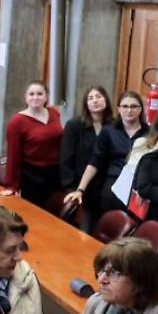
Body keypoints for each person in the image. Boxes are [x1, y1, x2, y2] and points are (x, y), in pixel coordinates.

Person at [64, 90, 150, 217]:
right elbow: (94, 162)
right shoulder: (108, 131)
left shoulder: (150, 133)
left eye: (134, 106)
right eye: (125, 106)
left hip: (138, 189)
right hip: (112, 188)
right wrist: (80, 190)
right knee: (110, 228)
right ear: (119, 109)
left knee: (133, 231)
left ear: (141, 109)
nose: (129, 110)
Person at [0, 81, 64, 207]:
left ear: (46, 96)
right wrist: (11, 186)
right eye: (31, 94)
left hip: (56, 174)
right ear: (25, 97)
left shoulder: (53, 113)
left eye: (40, 94)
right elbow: (13, 155)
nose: (35, 97)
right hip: (33, 177)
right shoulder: (17, 122)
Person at [60, 86, 113, 231]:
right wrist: (70, 188)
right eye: (91, 98)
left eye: (99, 96)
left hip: (105, 187)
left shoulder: (114, 125)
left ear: (106, 100)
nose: (95, 101)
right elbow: (66, 158)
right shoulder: (74, 125)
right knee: (84, 229)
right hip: (81, 187)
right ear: (85, 104)